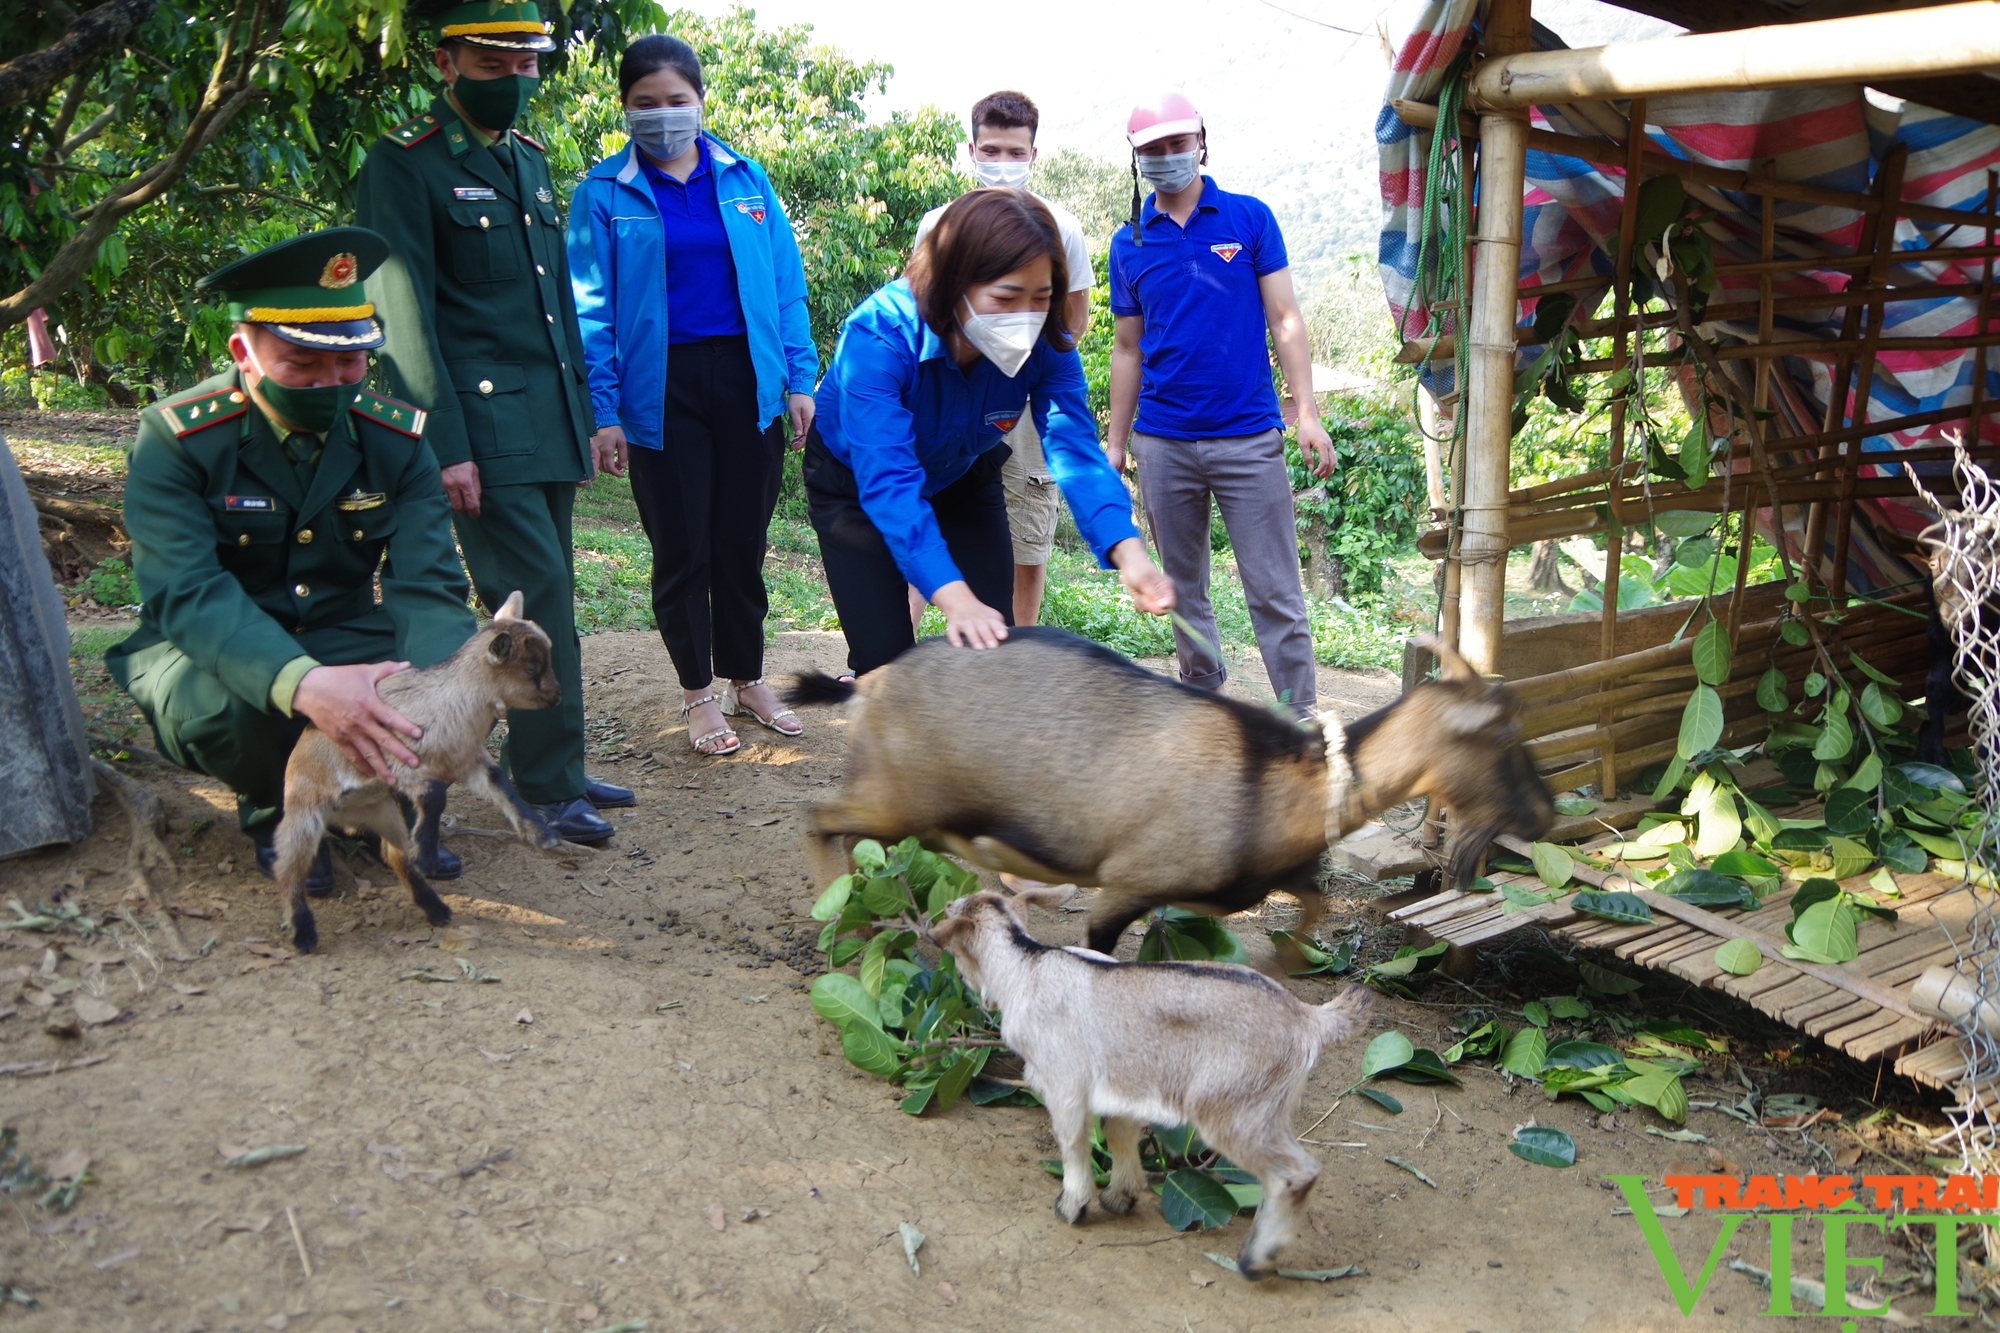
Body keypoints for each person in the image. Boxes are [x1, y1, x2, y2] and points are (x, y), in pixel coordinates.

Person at [106, 229, 477, 895]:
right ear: (242, 351)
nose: (330, 384)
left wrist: (436, 686)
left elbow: (429, 584)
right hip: (205, 646)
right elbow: (186, 591)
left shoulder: (395, 438)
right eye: (302, 364)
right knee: (240, 706)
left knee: (429, 681)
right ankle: (274, 809)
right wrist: (303, 683)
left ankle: (368, 806)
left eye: (350, 363)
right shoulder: (180, 439)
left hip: (343, 630)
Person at [355, 0, 627, 844]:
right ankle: (543, 788)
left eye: (526, 64)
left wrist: (583, 415)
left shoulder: (530, 161)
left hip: (543, 422)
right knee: (532, 598)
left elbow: (554, 309)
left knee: (557, 599)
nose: (514, 79)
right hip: (479, 426)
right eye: (491, 64)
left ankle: (560, 764)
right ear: (445, 63)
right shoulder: (406, 165)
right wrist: (444, 445)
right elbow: (403, 314)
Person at [568, 34, 819, 758]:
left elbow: (785, 286)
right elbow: (592, 311)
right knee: (682, 548)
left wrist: (798, 378)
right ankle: (697, 694)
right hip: (661, 389)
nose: (664, 115)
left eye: (677, 101)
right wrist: (604, 411)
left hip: (748, 381)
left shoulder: (747, 180)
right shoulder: (603, 195)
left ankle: (747, 678)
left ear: (701, 100)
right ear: (626, 108)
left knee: (743, 540)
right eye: (646, 104)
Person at [808, 188, 1174, 675]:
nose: (1026, 315)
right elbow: (889, 485)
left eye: (1041, 297)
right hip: (857, 483)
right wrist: (954, 599)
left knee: (997, 643)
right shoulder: (878, 339)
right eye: (1006, 296)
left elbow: (1075, 451)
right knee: (886, 668)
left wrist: (1129, 552)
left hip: (961, 471)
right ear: (953, 283)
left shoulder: (1047, 343)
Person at [1107, 91, 1334, 718]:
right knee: (1181, 591)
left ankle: (1301, 718)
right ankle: (1202, 699)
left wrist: (1305, 413)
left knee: (1274, 592)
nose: (1167, 157)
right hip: (1163, 442)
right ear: (1137, 159)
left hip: (1248, 439)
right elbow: (1127, 349)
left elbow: (1285, 319)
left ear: (1201, 142)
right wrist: (1117, 443)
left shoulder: (1249, 219)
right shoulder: (1128, 245)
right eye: (1152, 149)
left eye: (1177, 144)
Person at [911, 91, 1095, 628]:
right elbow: (918, 308)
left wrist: (1028, 367)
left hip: (1027, 397)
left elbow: (1074, 317)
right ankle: (890, 650)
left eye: (1015, 153)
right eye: (992, 150)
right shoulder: (938, 223)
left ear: (1034, 155)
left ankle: (1021, 655)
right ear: (971, 150)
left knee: (1028, 525)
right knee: (926, 512)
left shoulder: (1061, 227)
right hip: (952, 396)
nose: (1003, 163)